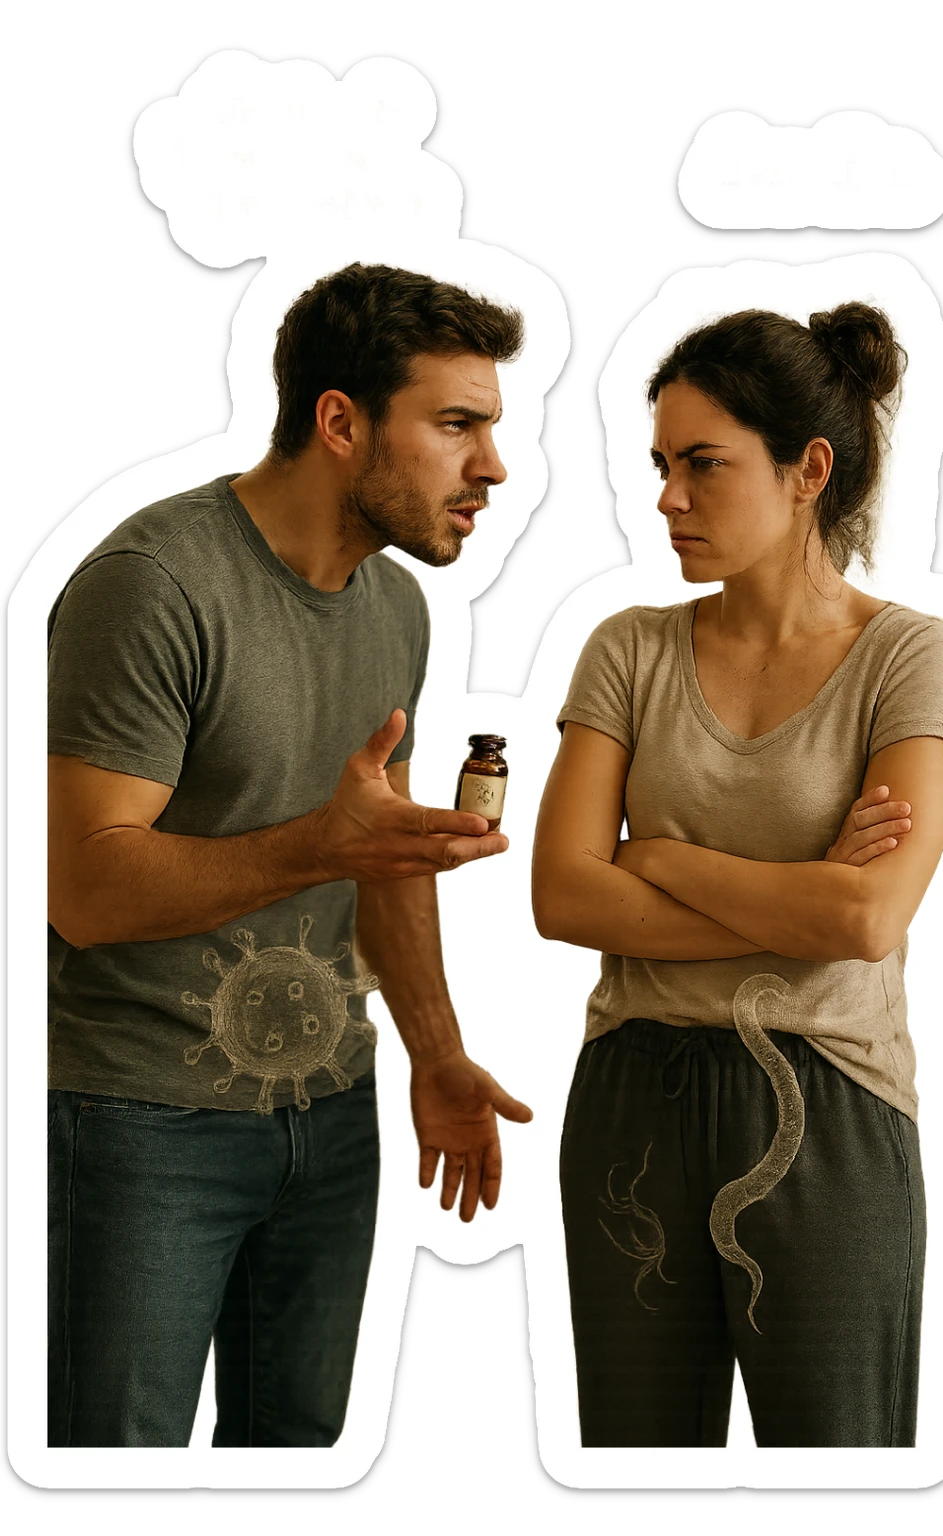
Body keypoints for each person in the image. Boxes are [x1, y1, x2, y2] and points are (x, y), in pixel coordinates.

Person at [47, 262, 533, 1449]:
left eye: (493, 429)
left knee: (298, 1459)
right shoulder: (153, 582)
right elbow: (85, 890)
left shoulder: (395, 608)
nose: (493, 468)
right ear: (339, 421)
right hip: (142, 1120)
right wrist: (319, 840)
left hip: (331, 1123)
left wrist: (436, 1054)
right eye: (457, 425)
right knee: (119, 1465)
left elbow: (382, 855)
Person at [532, 303, 943, 1449]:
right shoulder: (627, 646)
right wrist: (793, 898)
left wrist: (663, 860)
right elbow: (564, 897)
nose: (667, 496)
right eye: (661, 465)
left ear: (806, 470)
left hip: (828, 1104)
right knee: (633, 1464)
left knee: (836, 1463)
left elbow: (866, 915)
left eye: (703, 465)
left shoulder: (911, 656)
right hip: (631, 1099)